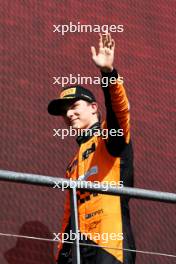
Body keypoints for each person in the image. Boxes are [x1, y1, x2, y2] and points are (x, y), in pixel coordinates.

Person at [48, 33, 136, 264]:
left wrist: (108, 74)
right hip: (78, 248)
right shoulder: (72, 164)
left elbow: (120, 110)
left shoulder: (110, 137)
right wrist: (61, 257)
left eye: (74, 106)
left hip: (110, 245)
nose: (68, 114)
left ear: (94, 108)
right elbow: (69, 216)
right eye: (64, 111)